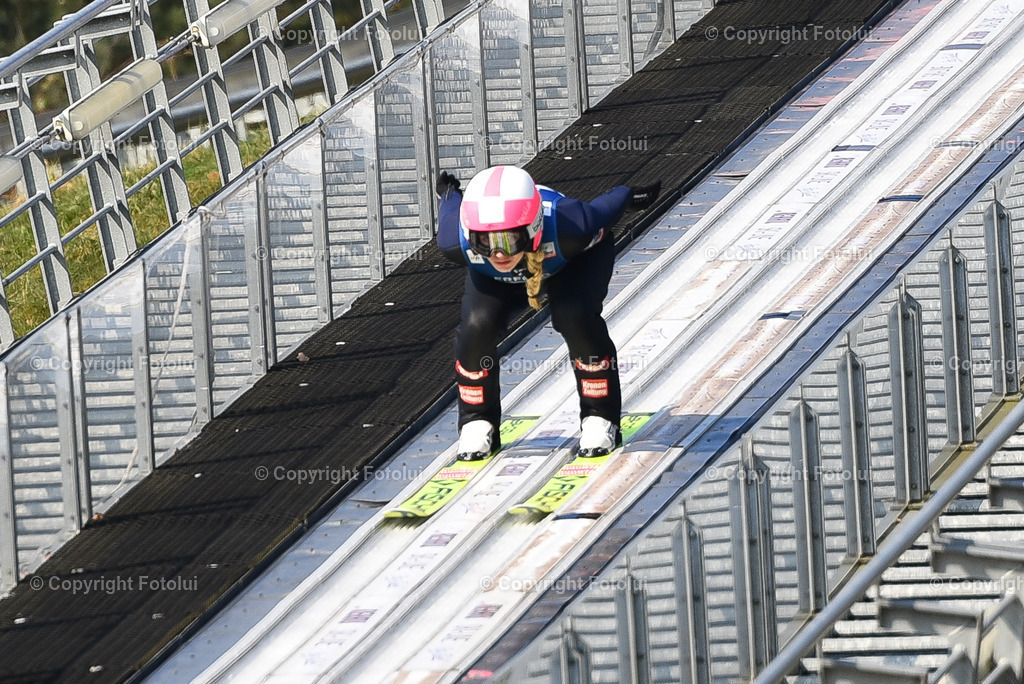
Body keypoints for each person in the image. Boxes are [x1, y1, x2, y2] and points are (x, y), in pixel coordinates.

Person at [436, 165, 661, 461]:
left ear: (534, 228)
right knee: (477, 328)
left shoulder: (573, 225)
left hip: (571, 262)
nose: (499, 254)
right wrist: (448, 191)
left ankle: (599, 415)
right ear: (469, 234)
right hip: (499, 277)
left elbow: (608, 206)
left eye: (509, 240)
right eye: (484, 242)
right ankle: (477, 420)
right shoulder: (454, 240)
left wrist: (630, 194)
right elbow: (452, 204)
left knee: (574, 316)